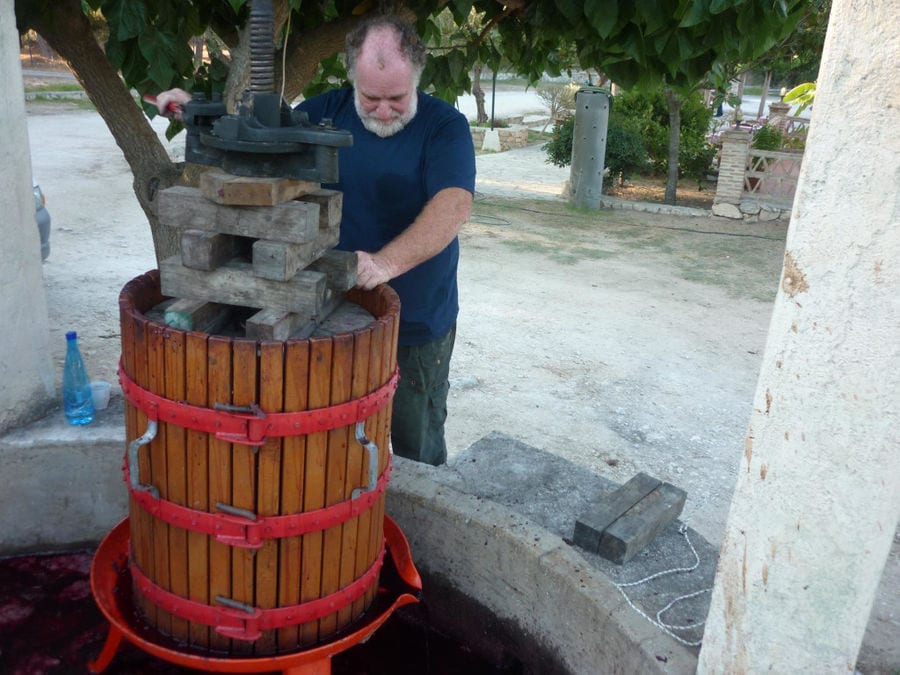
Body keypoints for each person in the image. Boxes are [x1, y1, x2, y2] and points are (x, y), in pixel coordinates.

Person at [156, 16, 475, 467]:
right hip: (331, 316)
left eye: (397, 99)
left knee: (415, 448)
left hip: (416, 324)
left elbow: (454, 206)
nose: (384, 111)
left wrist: (385, 264)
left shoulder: (445, 128)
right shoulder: (326, 113)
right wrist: (197, 114)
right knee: (337, 442)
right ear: (351, 79)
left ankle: (418, 527)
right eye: (371, 98)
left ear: (418, 79)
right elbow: (260, 138)